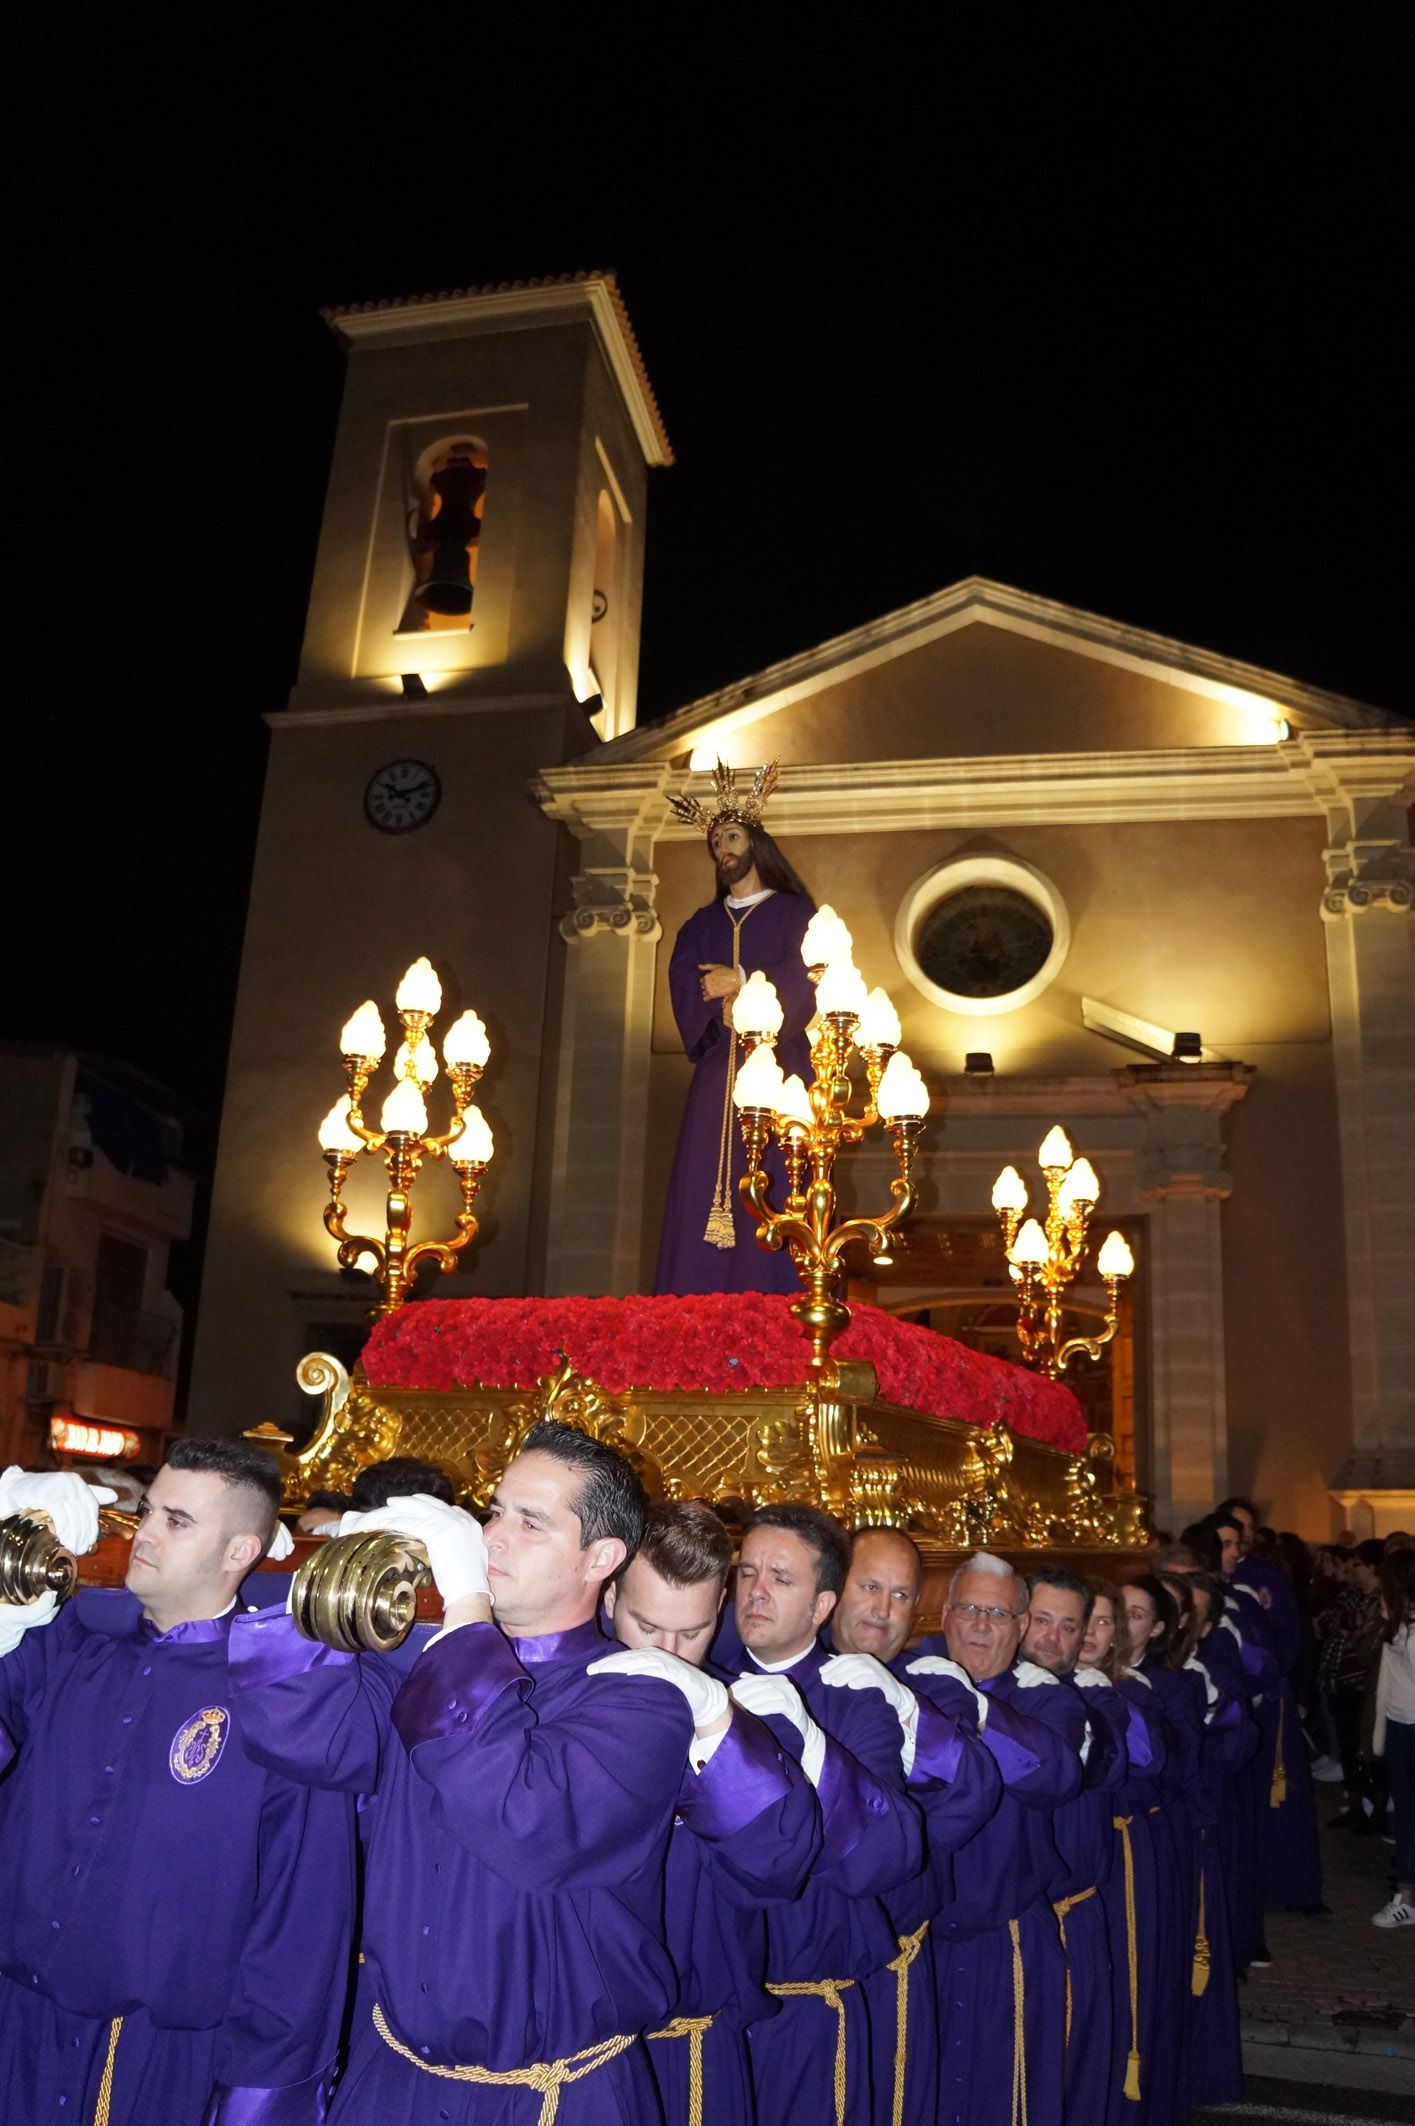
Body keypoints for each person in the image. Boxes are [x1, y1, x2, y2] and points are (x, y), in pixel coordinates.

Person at [231, 1420, 707, 2125]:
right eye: (495, 1511)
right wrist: (327, 1588)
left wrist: (465, 1608)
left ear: (599, 1556)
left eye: (531, 1522)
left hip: (554, 2094)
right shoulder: (426, 1661)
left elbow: (526, 1822)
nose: (492, 1536)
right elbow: (295, 1732)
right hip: (392, 2075)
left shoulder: (641, 1697)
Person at [0, 1441, 353, 2124]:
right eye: (150, 1510)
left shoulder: (282, 1701)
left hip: (147, 2058)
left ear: (238, 1552)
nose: (146, 1534)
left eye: (178, 1521)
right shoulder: (65, 1645)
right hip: (17, 2022)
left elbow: (297, 1926)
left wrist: (260, 2101)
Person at [599, 1500, 821, 2126]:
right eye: (648, 1625)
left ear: (720, 1607)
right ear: (610, 1595)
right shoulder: (567, 1701)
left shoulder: (741, 1713)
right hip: (590, 2050)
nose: (669, 1655)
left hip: (700, 2040)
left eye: (691, 1632)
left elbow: (782, 1865)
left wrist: (717, 1733)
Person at [728, 1504, 924, 2126]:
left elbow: (890, 1853)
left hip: (807, 2003)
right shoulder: (701, 1678)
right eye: (747, 1573)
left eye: (781, 1579)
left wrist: (812, 1746)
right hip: (713, 2016)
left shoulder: (854, 1698)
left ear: (821, 1608)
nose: (756, 1592)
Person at [832, 1527, 1002, 2126]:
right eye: (870, 1586)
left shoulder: (930, 1684)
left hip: (888, 1957)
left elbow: (967, 1799)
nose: (883, 1610)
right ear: (832, 1588)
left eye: (901, 1596)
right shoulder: (778, 1667)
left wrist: (907, 1715)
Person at [911, 1552, 1083, 2126]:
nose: (981, 1625)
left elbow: (1054, 1773)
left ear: (1021, 1626)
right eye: (968, 1608)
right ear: (944, 1614)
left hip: (1005, 1935)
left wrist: (977, 1709)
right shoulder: (904, 1678)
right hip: (914, 1942)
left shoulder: (1044, 1698)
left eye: (998, 1613)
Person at [656, 761, 817, 1295]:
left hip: (781, 1073)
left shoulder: (797, 916)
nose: (722, 850)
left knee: (782, 1178)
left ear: (755, 842)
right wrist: (716, 1004)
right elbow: (686, 980)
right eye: (715, 843)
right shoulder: (699, 926)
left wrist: (745, 983)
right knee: (703, 1178)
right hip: (716, 1076)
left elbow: (812, 972)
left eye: (730, 837)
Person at [1020, 1569, 1122, 2126]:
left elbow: (1105, 1763)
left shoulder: (1095, 1700)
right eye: (1041, 1621)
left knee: (1069, 2075)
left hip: (1070, 1917)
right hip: (1003, 1934)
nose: (1052, 1639)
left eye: (1068, 1626)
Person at [1215, 1497, 1324, 1912]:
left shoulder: (1266, 1575)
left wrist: (1274, 1682)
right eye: (1232, 1532)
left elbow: (1289, 1634)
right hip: (1226, 1709)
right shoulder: (1210, 1579)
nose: (1239, 1542)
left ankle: (1290, 1886)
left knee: (1278, 1802)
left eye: (1246, 1531)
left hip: (1267, 1702)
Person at [1371, 1547, 1415, 1928]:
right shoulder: (1399, 1626)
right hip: (1401, 1724)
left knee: (1409, 1814)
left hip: (1412, 1726)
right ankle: (1406, 1893)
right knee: (1405, 1813)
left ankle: (1406, 1895)